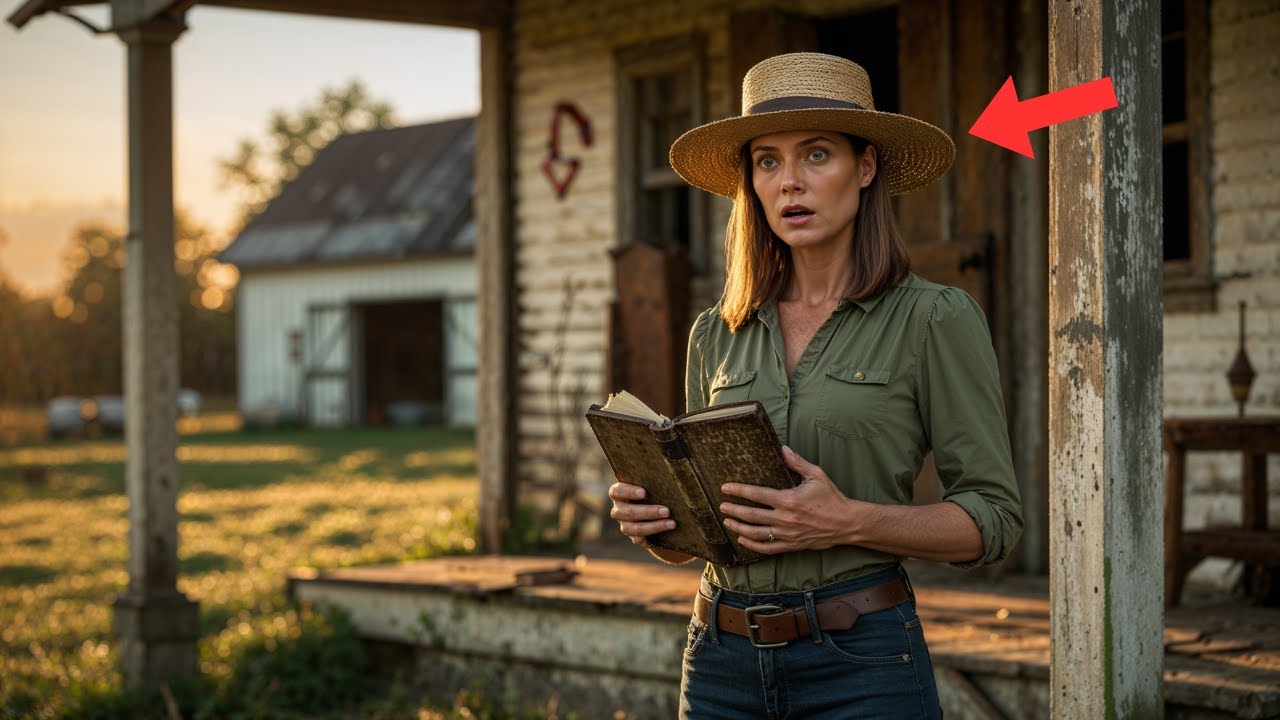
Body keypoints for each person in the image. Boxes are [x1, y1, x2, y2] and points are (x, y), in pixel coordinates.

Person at [607, 52, 1024, 718]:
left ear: (865, 169)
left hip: (863, 664)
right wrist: (658, 524)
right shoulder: (716, 331)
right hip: (719, 663)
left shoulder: (933, 319)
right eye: (767, 161)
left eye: (817, 155)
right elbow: (705, 534)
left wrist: (847, 520)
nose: (789, 182)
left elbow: (993, 522)